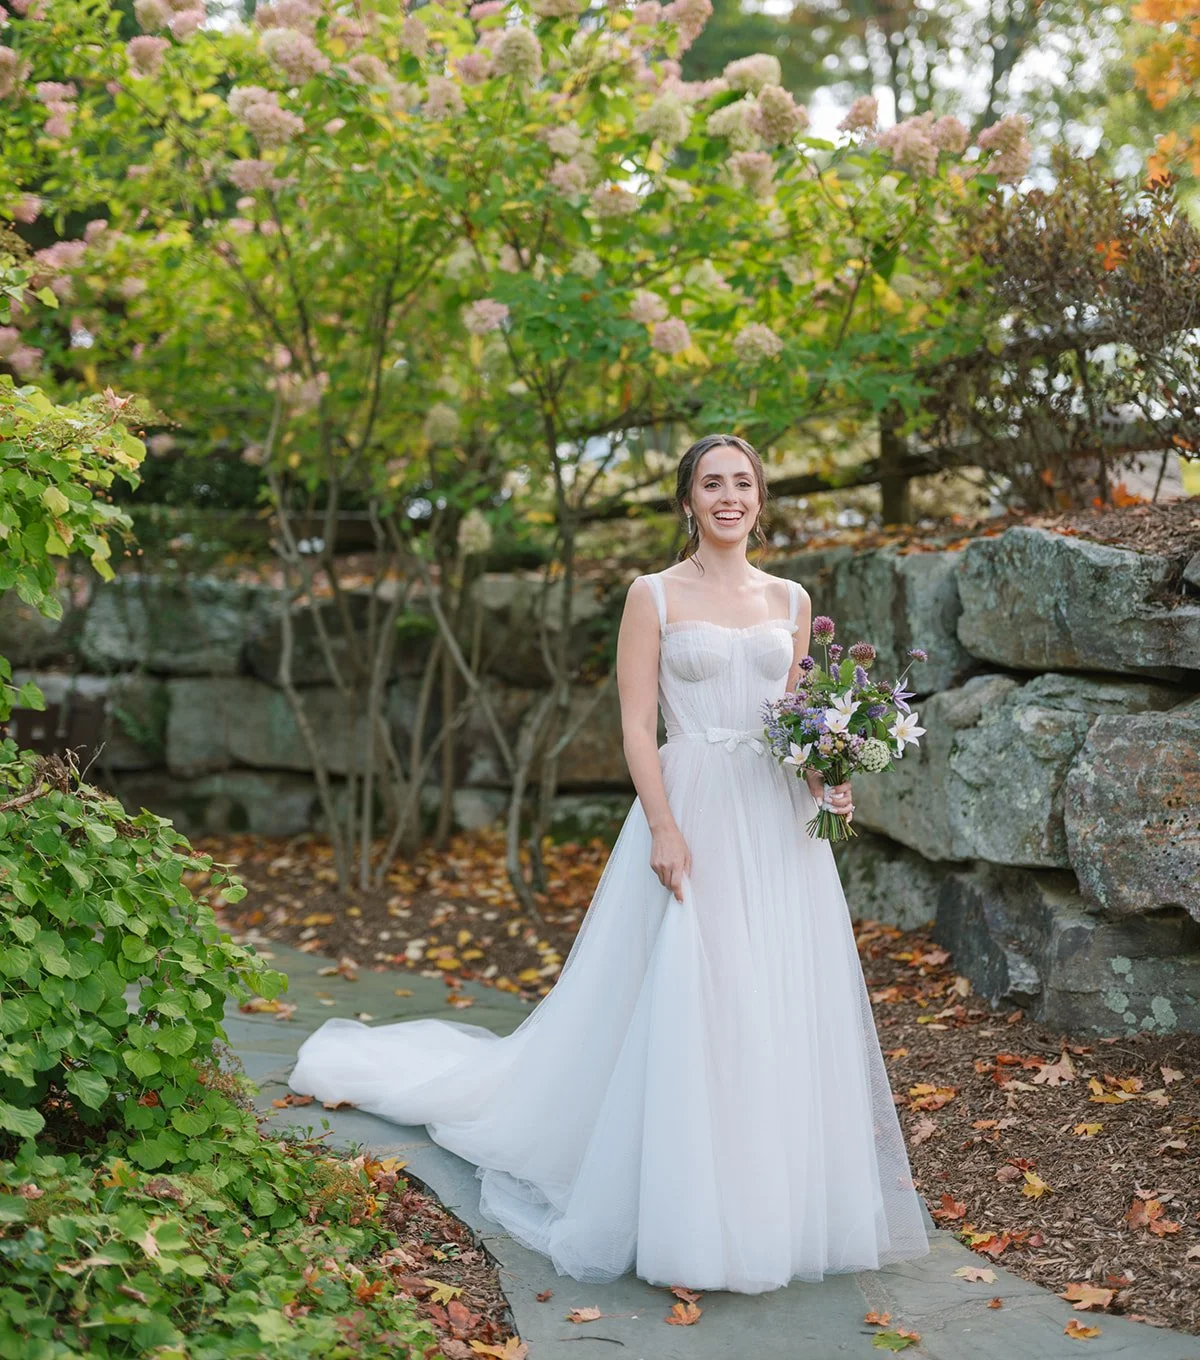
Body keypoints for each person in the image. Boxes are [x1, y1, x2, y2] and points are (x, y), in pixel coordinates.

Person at [288, 433, 931, 1293]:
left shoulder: (790, 596)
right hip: (693, 802)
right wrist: (664, 828)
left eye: (743, 483)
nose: (729, 497)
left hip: (777, 820)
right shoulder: (653, 595)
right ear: (688, 500)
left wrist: (832, 779)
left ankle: (775, 1203)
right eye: (713, 483)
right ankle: (690, 1217)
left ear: (761, 500)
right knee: (697, 995)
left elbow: (795, 715)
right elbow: (636, 727)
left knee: (775, 995)